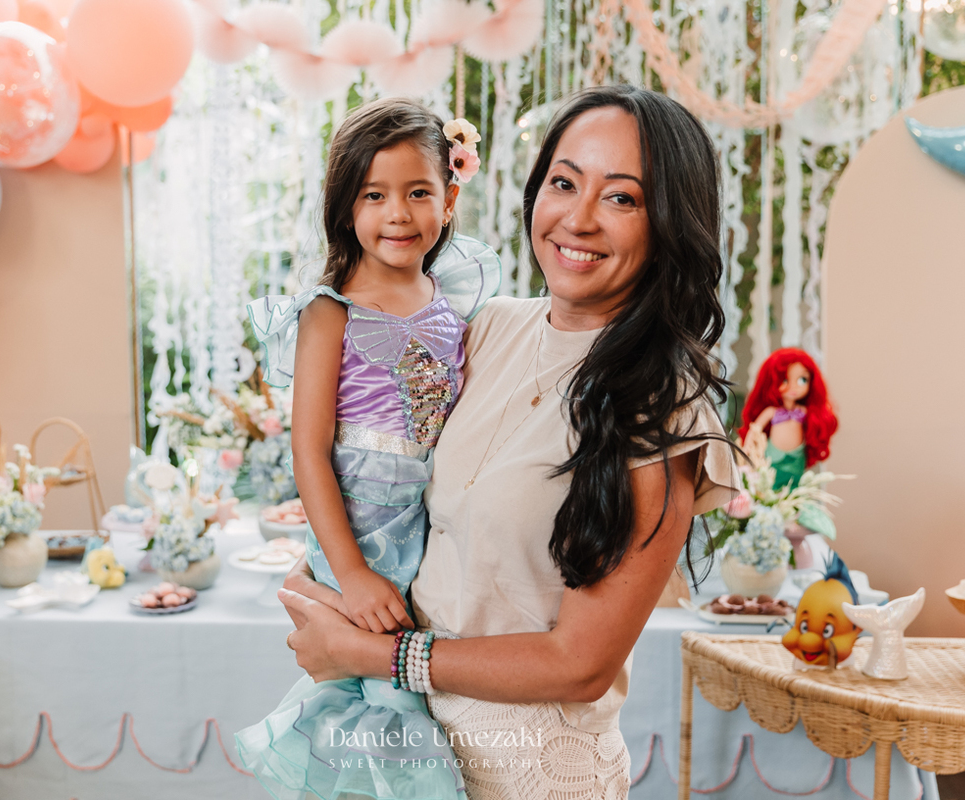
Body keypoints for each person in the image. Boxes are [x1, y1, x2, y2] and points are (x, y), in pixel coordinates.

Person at [278, 85, 741, 800]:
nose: (578, 219)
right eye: (563, 183)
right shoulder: (488, 328)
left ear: (669, 224)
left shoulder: (663, 404)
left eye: (622, 198)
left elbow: (579, 662)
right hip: (412, 756)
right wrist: (337, 580)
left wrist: (375, 655)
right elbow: (373, 467)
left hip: (532, 773)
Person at [235, 98, 501, 800]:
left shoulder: (452, 298)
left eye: (419, 193)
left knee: (411, 671)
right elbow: (309, 452)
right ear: (344, 206)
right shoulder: (331, 310)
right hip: (360, 525)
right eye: (374, 195)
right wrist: (350, 571)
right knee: (378, 692)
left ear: (449, 197)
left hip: (430, 520)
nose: (399, 214)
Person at [738, 347, 838, 491]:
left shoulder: (803, 412)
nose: (793, 387)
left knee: (793, 485)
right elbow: (755, 430)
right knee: (770, 485)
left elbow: (817, 423)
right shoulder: (771, 412)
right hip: (773, 456)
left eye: (802, 380)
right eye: (785, 379)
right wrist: (746, 450)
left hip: (797, 456)